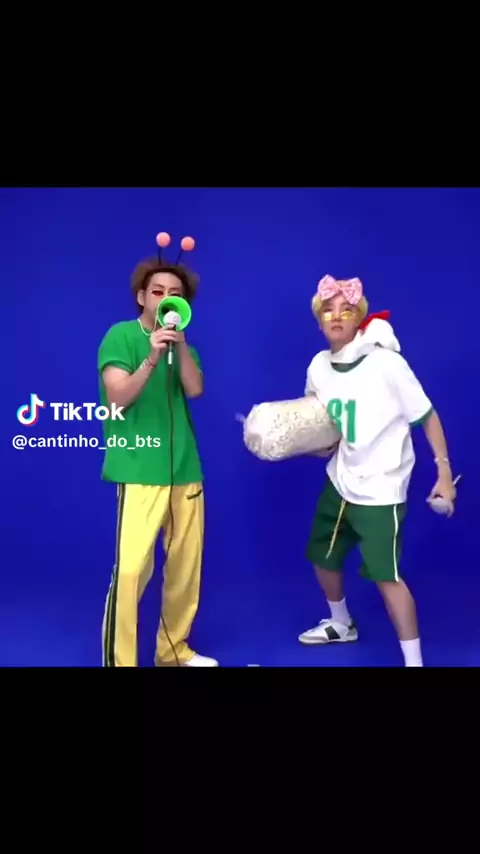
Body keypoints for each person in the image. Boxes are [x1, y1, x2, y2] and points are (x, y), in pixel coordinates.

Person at [299, 274, 456, 667]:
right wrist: (313, 444)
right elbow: (321, 423)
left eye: (346, 309)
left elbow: (427, 416)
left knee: (387, 576)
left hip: (381, 488)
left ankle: (414, 662)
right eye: (329, 310)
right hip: (340, 480)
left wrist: (443, 473)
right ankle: (341, 623)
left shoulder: (386, 363)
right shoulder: (318, 367)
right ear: (319, 322)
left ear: (359, 319)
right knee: (322, 555)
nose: (337, 316)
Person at [98, 232, 218, 667]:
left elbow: (195, 389)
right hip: (138, 469)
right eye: (158, 291)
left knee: (185, 568)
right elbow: (116, 398)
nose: (167, 299)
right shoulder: (120, 337)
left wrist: (178, 346)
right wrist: (150, 358)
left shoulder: (185, 346)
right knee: (131, 572)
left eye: (176, 294)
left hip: (186, 470)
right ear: (141, 297)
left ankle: (173, 652)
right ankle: (120, 662)